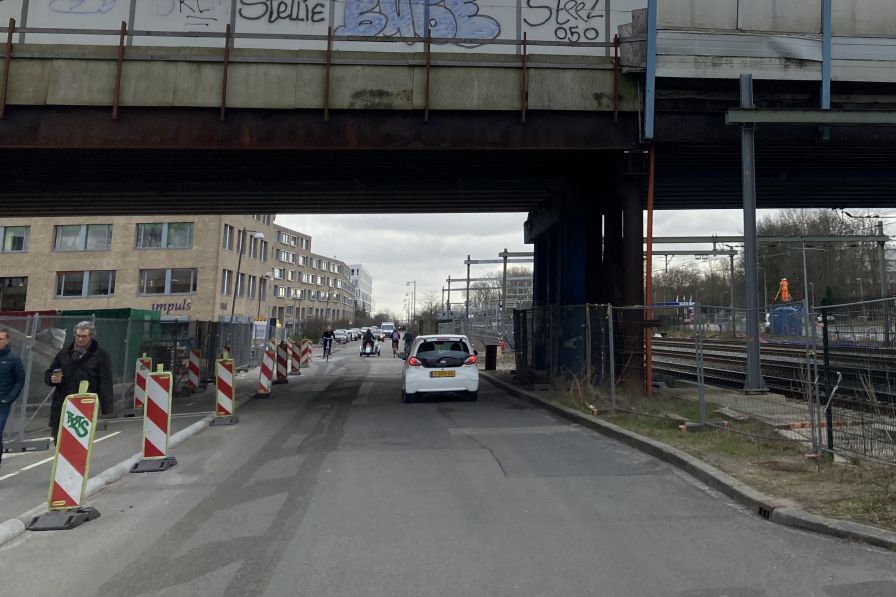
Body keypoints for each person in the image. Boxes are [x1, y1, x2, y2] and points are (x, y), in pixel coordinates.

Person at [45, 321, 114, 440]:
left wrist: (107, 407)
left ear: (91, 336)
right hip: (63, 403)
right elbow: (50, 372)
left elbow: (105, 381)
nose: (80, 339)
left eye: (84, 337)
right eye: (78, 336)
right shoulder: (64, 353)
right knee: (59, 439)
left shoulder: (101, 355)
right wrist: (51, 378)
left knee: (80, 442)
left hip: (85, 405)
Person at [0, 328, 25, 470]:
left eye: (0, 339)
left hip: (2, 404)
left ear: (7, 340)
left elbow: (20, 380)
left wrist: (8, 398)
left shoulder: (13, 359)